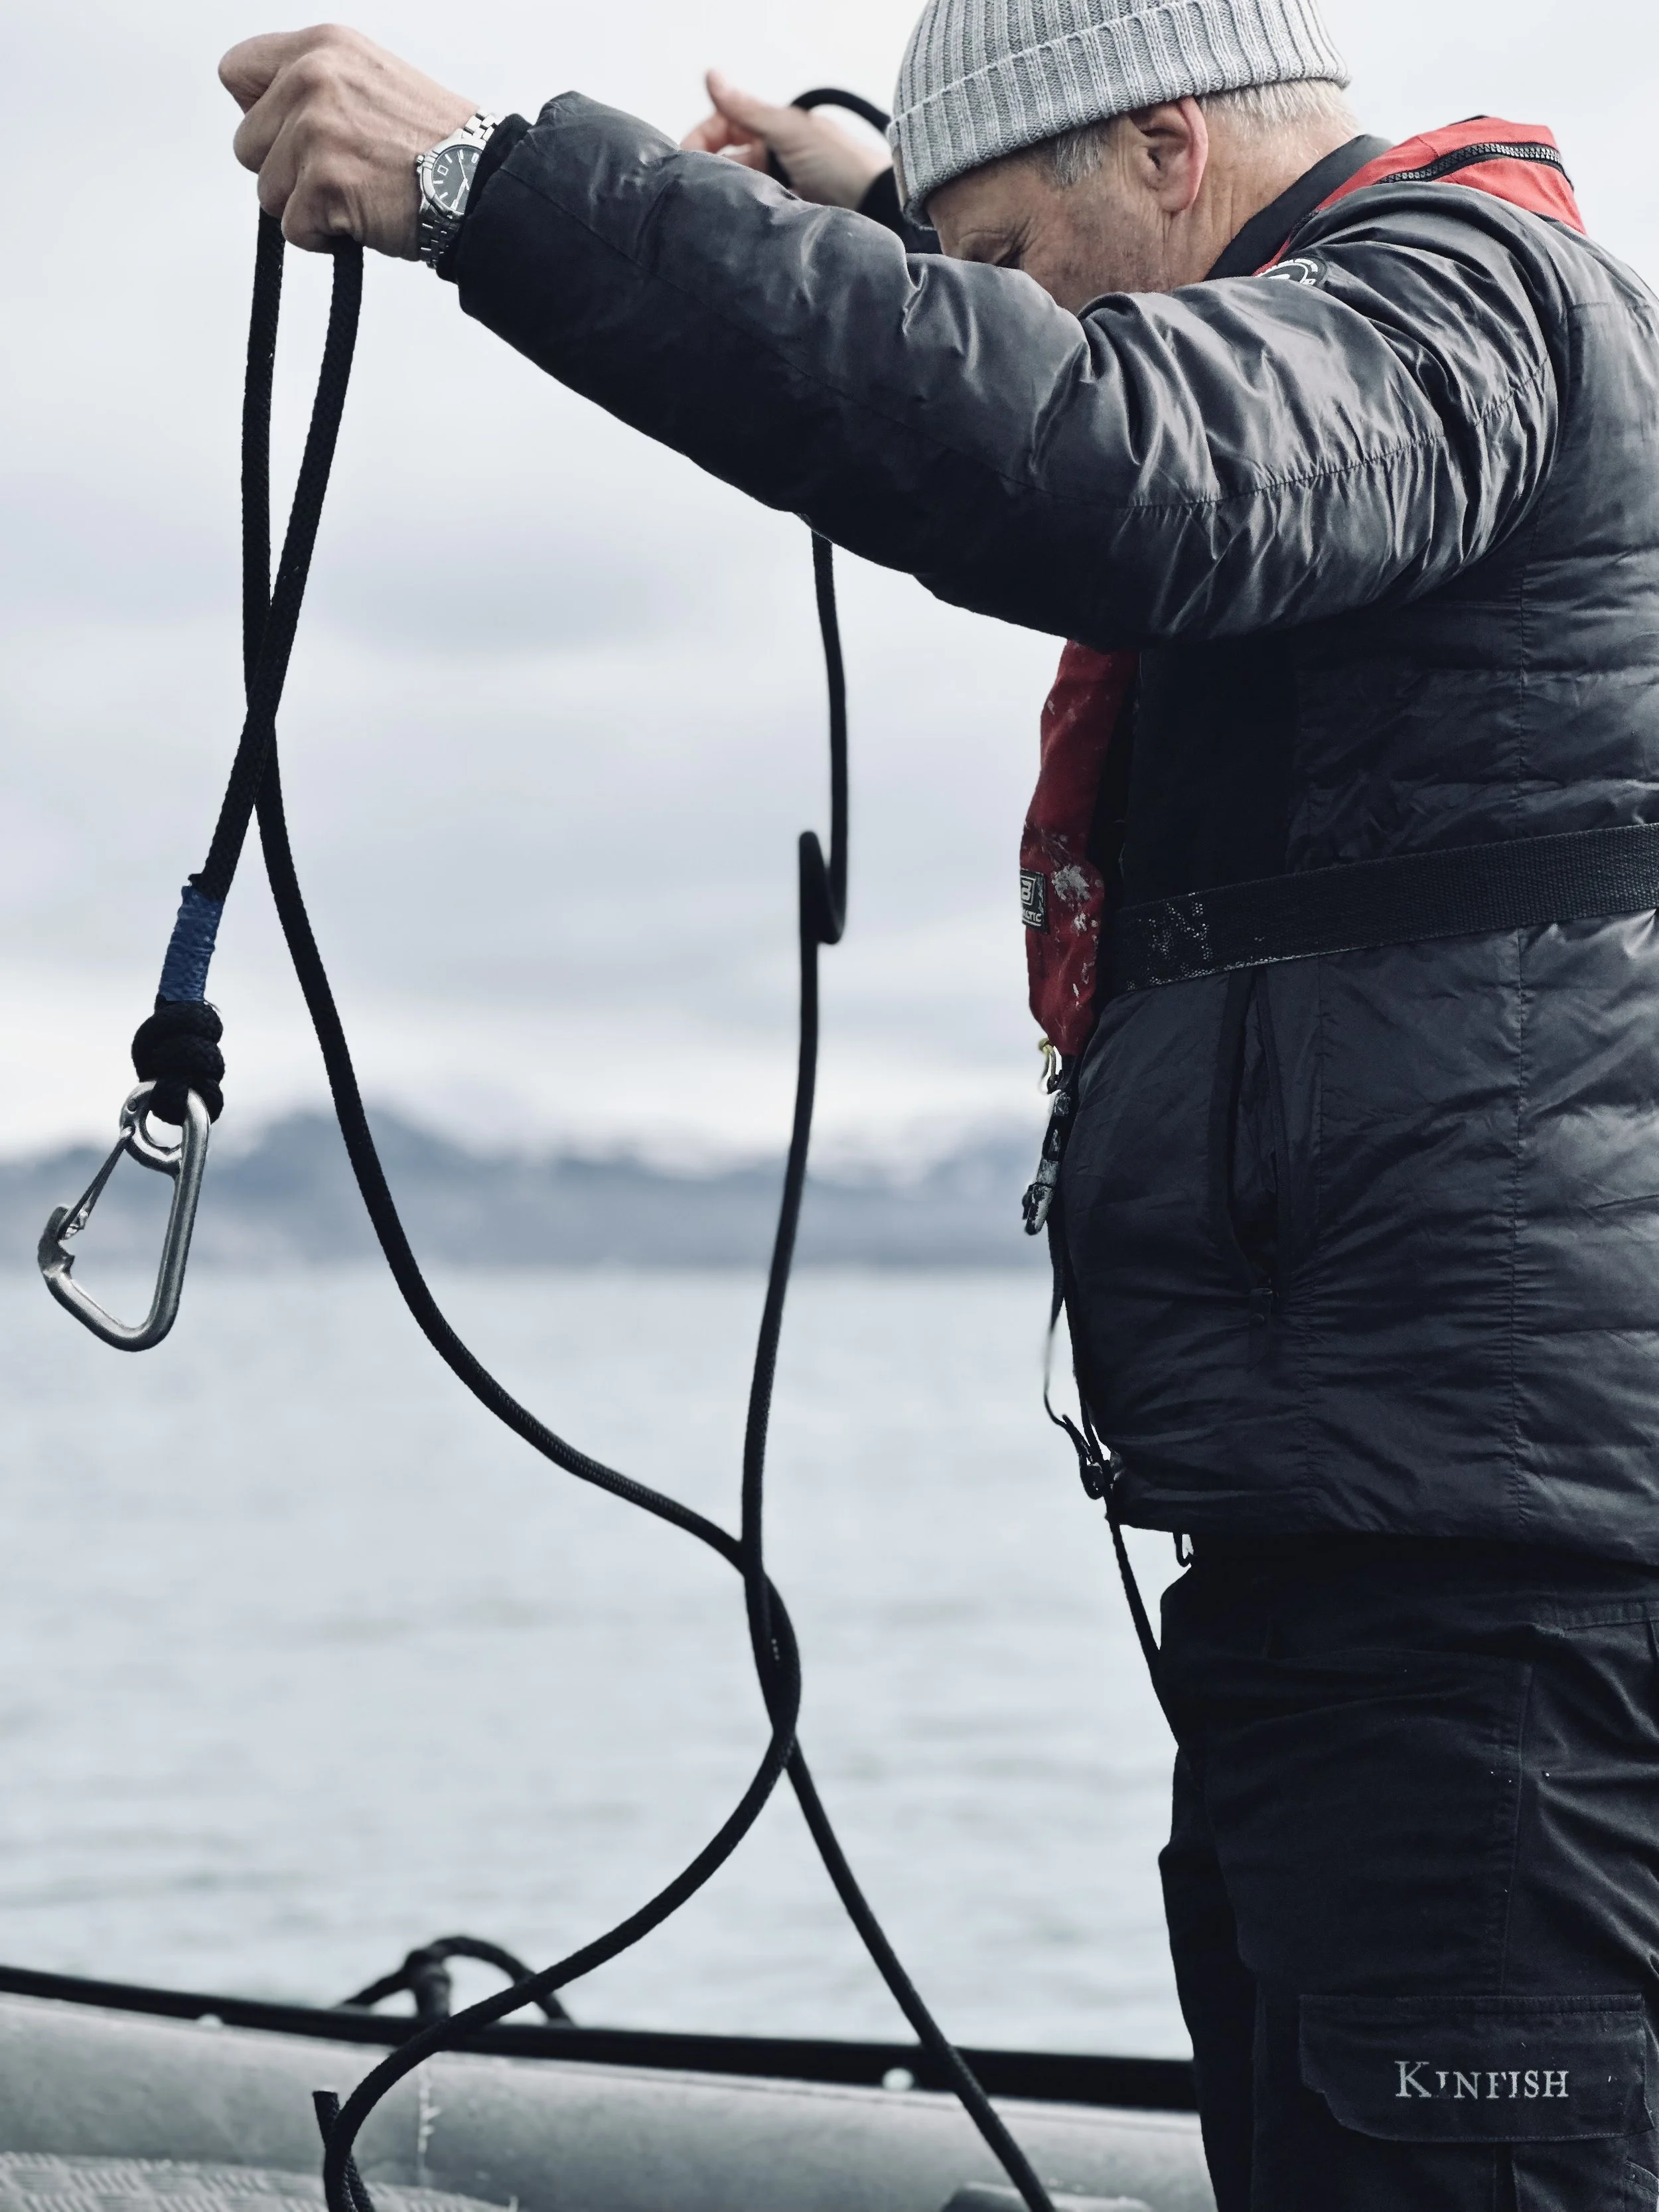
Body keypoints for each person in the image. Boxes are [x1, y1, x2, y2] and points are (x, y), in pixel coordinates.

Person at [217, 6, 1659, 2206]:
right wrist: (894, 211)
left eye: (997, 262)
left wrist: (501, 190)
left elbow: (1110, 452)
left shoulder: (1463, 303)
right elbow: (1094, 365)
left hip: (1491, 1608)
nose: (988, 308)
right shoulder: (1374, 330)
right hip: (1372, 1570)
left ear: (1169, 152)